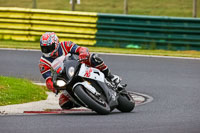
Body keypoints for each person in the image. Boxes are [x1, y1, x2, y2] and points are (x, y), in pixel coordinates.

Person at [39, 32, 121, 109]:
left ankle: (110, 76)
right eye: (44, 48)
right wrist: (53, 87)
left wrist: (83, 53)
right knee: (63, 103)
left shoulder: (65, 45)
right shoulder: (43, 63)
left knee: (93, 58)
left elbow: (80, 49)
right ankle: (85, 101)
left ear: (56, 44)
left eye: (49, 47)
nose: (47, 50)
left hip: (78, 66)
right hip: (65, 79)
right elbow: (48, 79)